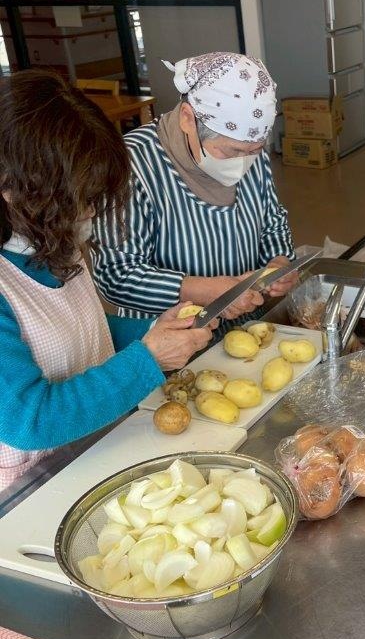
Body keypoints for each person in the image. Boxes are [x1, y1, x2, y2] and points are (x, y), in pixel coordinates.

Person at [0, 70, 215, 490]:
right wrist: (148, 360)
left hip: (90, 446)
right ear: (12, 188)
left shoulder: (52, 242)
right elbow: (30, 420)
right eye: (76, 199)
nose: (89, 212)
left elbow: (81, 332)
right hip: (30, 485)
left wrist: (152, 331)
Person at [92, 52, 296, 326]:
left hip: (248, 326)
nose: (243, 163)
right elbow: (115, 276)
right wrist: (202, 290)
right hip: (171, 336)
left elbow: (272, 220)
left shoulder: (249, 149)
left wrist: (279, 262)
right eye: (231, 151)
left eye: (254, 151)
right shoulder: (131, 166)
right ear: (188, 119)